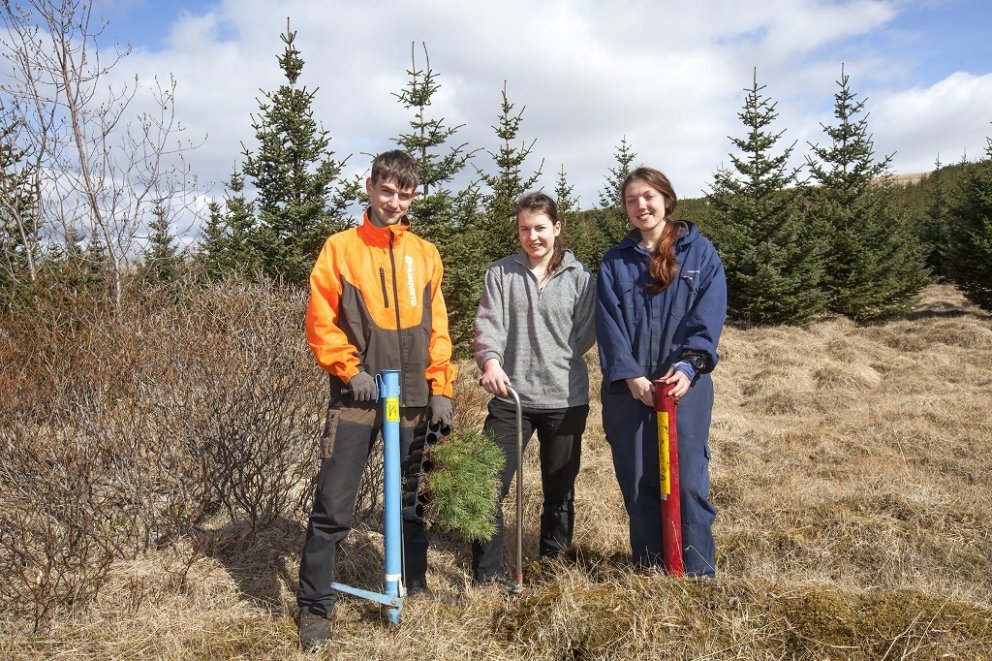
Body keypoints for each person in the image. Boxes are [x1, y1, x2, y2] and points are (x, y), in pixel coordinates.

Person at [297, 150, 457, 652]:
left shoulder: (426, 254)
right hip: (359, 398)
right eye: (386, 191)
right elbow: (321, 321)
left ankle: (413, 586)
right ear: (370, 188)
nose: (394, 202)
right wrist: (350, 369)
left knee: (411, 503)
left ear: (413, 196)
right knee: (333, 506)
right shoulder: (341, 249)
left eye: (404, 194)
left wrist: (443, 388)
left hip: (412, 400)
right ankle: (315, 608)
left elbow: (439, 328)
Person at [595, 166, 727, 577]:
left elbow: (708, 316)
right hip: (629, 390)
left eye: (648, 197)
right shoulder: (615, 262)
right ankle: (651, 572)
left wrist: (690, 366)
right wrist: (631, 375)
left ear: (666, 199)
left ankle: (697, 573)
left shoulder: (699, 253)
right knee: (639, 483)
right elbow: (608, 323)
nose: (641, 206)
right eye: (631, 200)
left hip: (683, 386)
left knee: (686, 480)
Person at [473, 191, 596, 585]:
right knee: (487, 485)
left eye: (540, 228)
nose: (533, 236)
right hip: (512, 398)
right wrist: (491, 361)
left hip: (565, 398)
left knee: (558, 491)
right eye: (525, 229)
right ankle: (487, 574)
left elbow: (584, 334)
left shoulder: (581, 278)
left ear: (557, 228)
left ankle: (551, 570)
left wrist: (554, 361)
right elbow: (489, 325)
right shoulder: (501, 274)